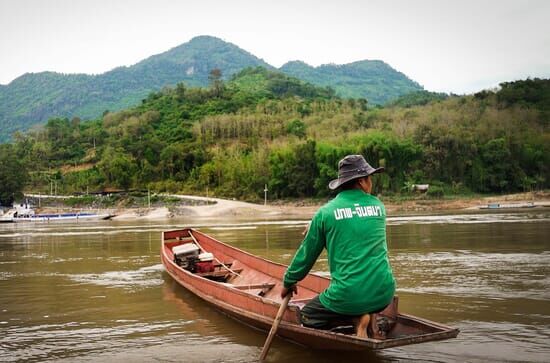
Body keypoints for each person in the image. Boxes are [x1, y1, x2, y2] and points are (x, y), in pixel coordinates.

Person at [281, 154, 396, 337]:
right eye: (370, 178)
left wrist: (288, 281)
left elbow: (306, 256)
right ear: (361, 182)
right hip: (384, 294)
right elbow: (355, 222)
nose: (371, 183)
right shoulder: (379, 207)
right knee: (361, 294)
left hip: (348, 296)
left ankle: (356, 319)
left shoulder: (325, 214)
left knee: (307, 316)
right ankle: (366, 317)